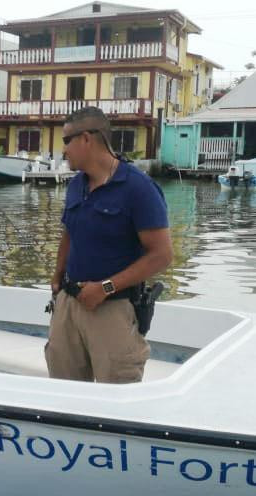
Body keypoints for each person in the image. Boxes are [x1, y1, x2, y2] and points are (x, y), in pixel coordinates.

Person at [45, 107, 172, 383]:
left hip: (112, 309)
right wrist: (57, 276)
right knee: (63, 393)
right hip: (69, 303)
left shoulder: (138, 188)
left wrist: (106, 287)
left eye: (67, 140)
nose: (63, 150)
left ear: (87, 139)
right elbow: (70, 232)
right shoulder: (76, 184)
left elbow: (161, 255)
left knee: (116, 397)